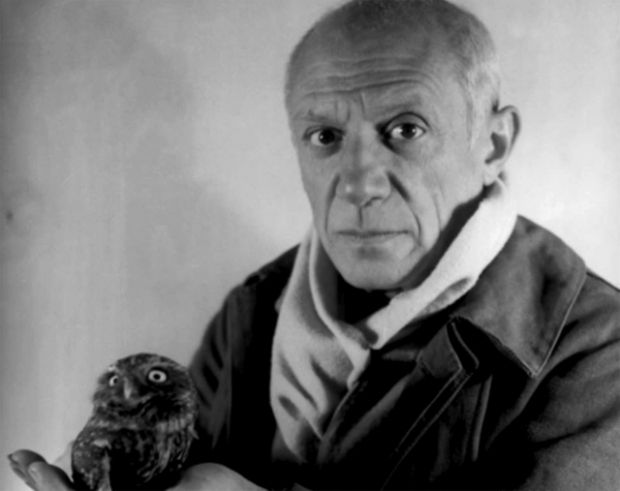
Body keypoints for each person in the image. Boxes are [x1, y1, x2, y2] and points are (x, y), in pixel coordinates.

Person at [9, 0, 620, 489]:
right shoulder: (252, 311)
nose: (357, 182)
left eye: (406, 129)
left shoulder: (599, 350)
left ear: (493, 144)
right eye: (325, 136)